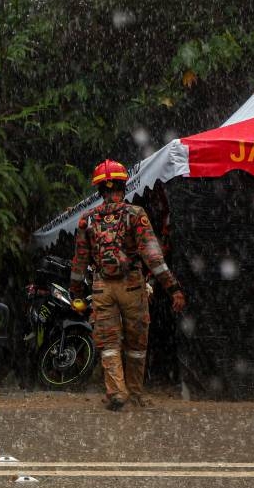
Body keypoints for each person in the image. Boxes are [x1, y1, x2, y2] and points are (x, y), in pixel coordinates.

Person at [69, 159, 187, 411]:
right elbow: (153, 258)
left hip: (102, 288)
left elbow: (79, 262)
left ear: (100, 190)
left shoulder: (87, 220)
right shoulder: (136, 215)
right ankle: (134, 392)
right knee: (136, 344)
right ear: (124, 186)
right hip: (132, 286)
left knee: (109, 343)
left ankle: (116, 393)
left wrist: (76, 292)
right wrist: (173, 288)